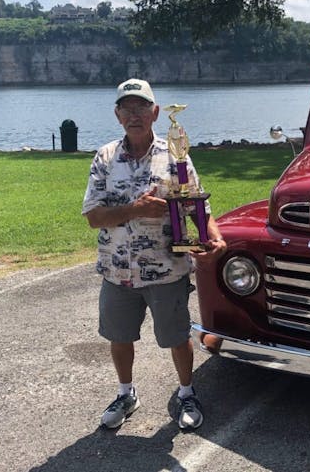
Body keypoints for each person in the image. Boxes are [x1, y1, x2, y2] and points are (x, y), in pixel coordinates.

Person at [82, 78, 227, 430]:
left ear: (156, 113)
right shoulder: (104, 157)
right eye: (127, 108)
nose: (135, 114)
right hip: (118, 271)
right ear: (118, 115)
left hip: (167, 270)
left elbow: (196, 206)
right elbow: (92, 216)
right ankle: (126, 393)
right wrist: (134, 210)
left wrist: (215, 238)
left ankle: (186, 392)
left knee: (177, 337)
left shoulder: (175, 154)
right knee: (119, 337)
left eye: (142, 107)